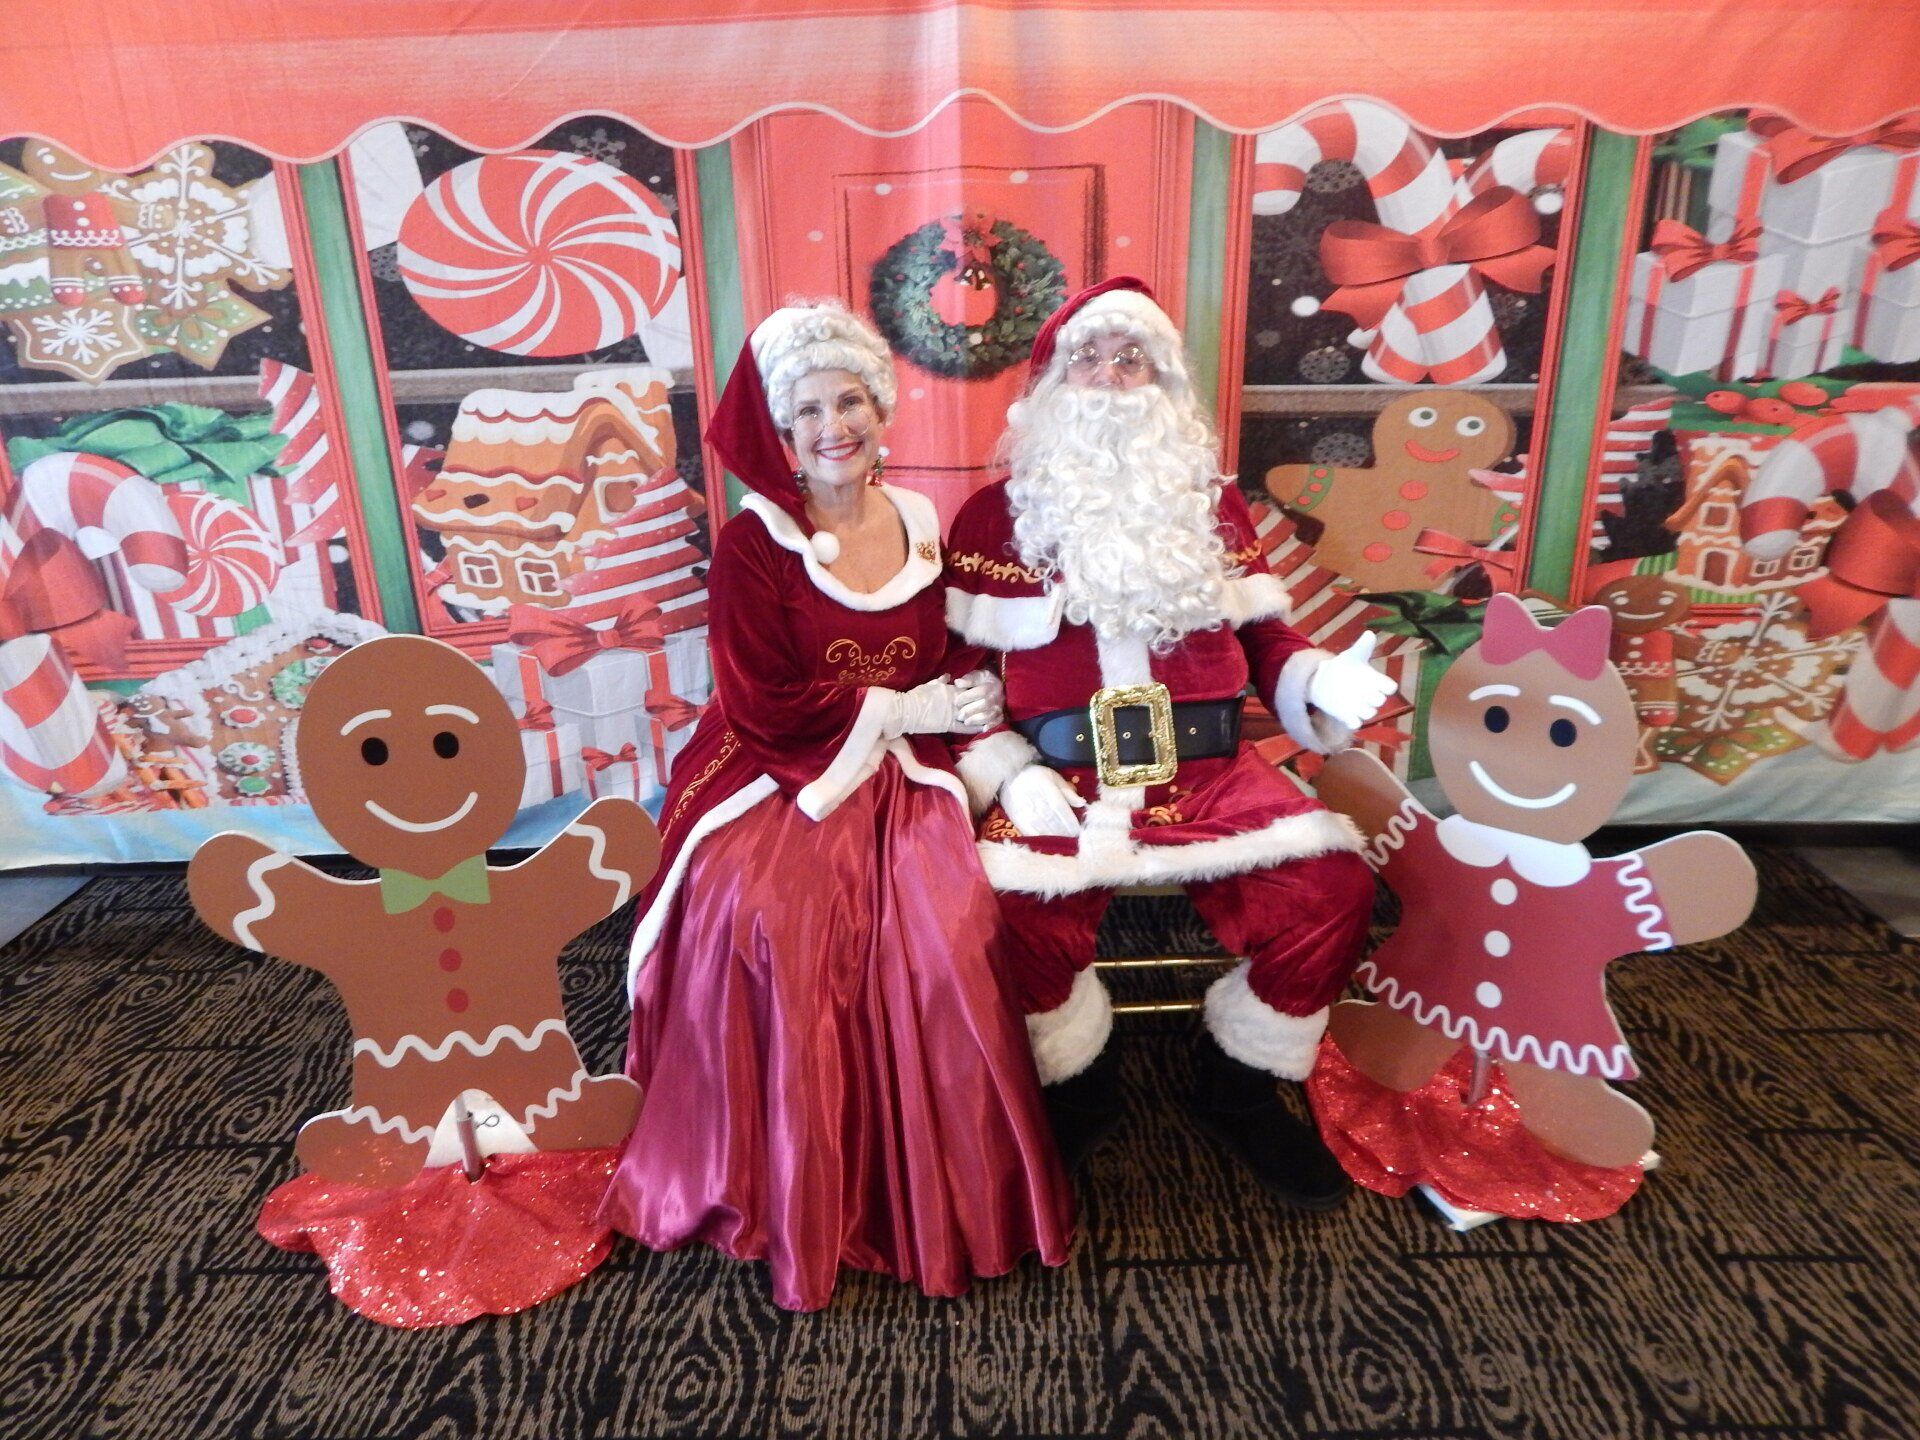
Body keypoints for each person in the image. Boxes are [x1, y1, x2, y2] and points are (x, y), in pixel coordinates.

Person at [601, 300, 1073, 1312]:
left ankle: (941, 1186)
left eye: (849, 398)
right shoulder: (753, 544)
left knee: (949, 928)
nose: (833, 425)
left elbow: (940, 652)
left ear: (880, 407)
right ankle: (790, 1185)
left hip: (908, 769)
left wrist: (969, 692)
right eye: (807, 408)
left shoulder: (919, 520)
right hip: (781, 772)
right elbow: (765, 700)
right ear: (781, 432)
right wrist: (900, 705)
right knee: (777, 920)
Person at [943, 277, 1395, 1207]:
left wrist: (1320, 680)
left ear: (1162, 380)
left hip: (1213, 768)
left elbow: (1267, 637)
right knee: (1005, 915)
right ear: (1053, 384)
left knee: (1333, 887)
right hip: (1062, 776)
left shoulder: (1211, 506)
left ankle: (1237, 1085)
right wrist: (1007, 768)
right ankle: (1078, 1084)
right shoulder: (993, 518)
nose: (1111, 378)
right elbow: (960, 674)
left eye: (1131, 357)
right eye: (1090, 359)